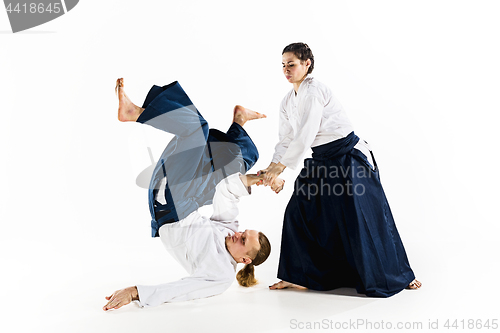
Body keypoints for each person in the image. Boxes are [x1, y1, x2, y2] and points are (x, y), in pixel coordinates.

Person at [103, 79, 283, 310]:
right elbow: (227, 190)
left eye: (243, 240)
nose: (237, 234)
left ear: (244, 260)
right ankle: (239, 120)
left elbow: (182, 290)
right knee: (239, 160)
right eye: (243, 232)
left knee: (198, 130)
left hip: (171, 208)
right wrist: (263, 178)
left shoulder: (220, 276)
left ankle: (135, 113)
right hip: (185, 197)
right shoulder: (229, 230)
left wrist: (136, 292)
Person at [260, 43, 421, 297]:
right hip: (321, 159)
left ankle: (399, 275)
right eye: (283, 65)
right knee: (298, 210)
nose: (286, 70)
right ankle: (299, 276)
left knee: (363, 217)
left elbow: (305, 134)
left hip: (346, 157)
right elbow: (286, 138)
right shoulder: (287, 101)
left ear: (307, 64)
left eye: (291, 64)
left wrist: (281, 167)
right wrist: (272, 167)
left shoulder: (314, 92)